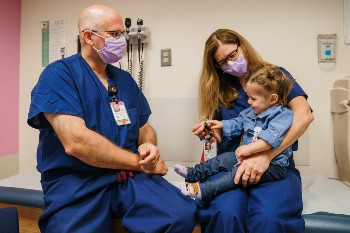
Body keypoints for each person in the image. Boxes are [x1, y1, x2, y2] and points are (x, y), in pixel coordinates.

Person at [27, 5, 196, 233]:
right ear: (88, 36)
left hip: (126, 177)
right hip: (78, 181)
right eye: (115, 34)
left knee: (180, 214)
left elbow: (144, 125)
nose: (121, 40)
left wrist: (148, 145)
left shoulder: (124, 80)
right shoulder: (58, 75)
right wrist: (139, 163)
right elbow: (76, 142)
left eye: (122, 34)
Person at [191, 29, 314, 233]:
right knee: (225, 215)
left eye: (232, 55)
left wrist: (267, 155)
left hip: (273, 166)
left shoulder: (276, 76)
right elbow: (220, 132)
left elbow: (305, 116)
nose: (230, 63)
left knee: (270, 219)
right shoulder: (219, 89)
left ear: (242, 46)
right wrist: (212, 133)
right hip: (232, 165)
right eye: (222, 62)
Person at [175, 66, 294, 201]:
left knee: (236, 172)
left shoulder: (283, 115)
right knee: (222, 159)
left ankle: (205, 190)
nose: (248, 102)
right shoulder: (251, 112)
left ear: (272, 99)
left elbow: (270, 139)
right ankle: (193, 173)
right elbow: (238, 122)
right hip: (246, 156)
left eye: (253, 99)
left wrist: (247, 149)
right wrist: (220, 124)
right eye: (248, 97)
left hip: (274, 165)